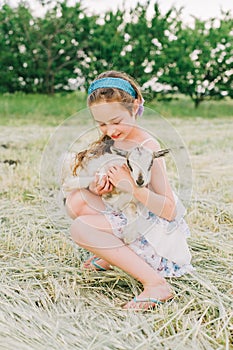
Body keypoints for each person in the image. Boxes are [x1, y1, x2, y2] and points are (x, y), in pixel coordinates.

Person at [64, 70, 193, 310]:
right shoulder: (114, 141)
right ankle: (113, 255)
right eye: (101, 124)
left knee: (80, 229)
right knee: (76, 200)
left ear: (134, 107)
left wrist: (132, 188)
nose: (110, 130)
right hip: (130, 215)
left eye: (116, 121)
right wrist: (99, 186)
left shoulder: (147, 146)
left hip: (152, 230)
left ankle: (156, 284)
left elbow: (169, 210)